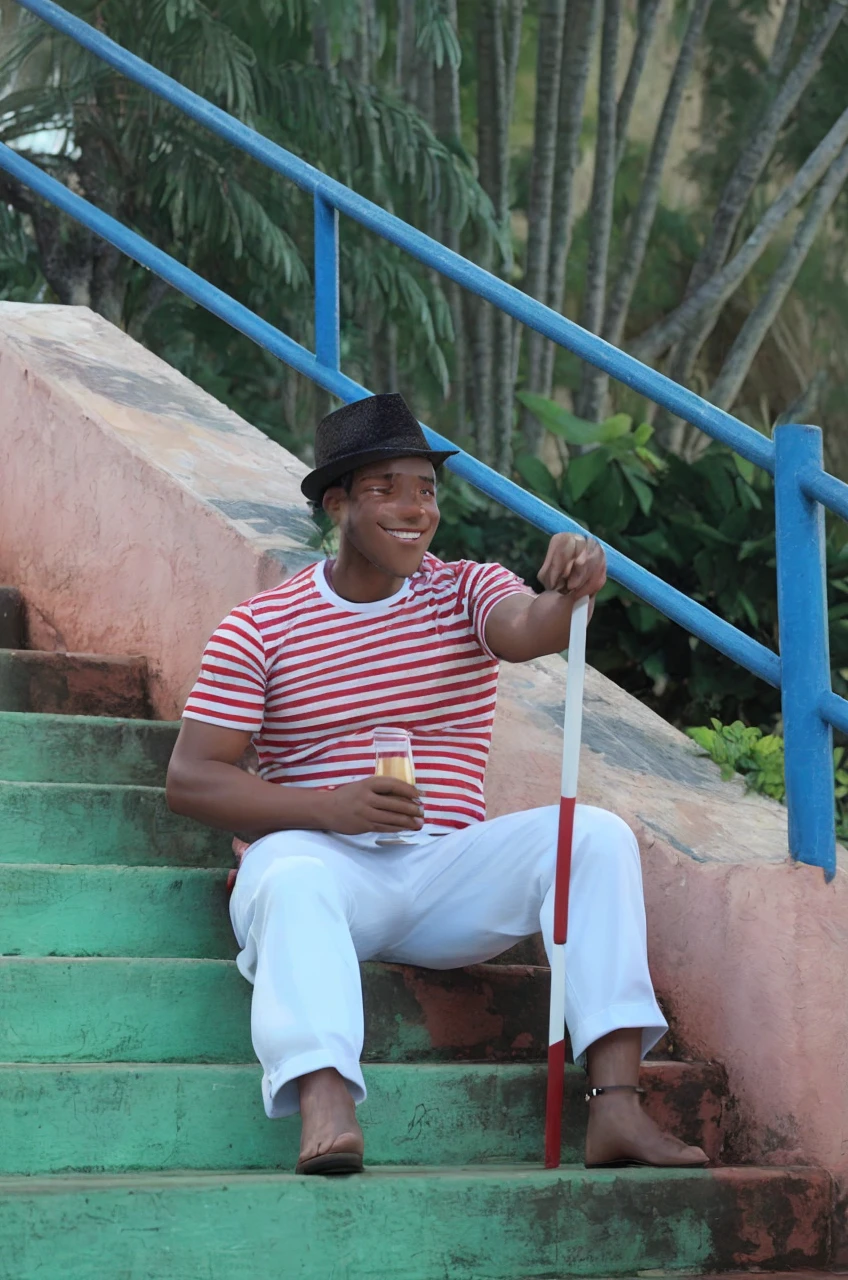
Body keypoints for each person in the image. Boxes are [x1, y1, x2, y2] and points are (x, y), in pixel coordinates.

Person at [166, 392, 707, 1176]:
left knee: (593, 836)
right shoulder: (261, 627)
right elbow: (191, 780)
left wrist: (572, 583)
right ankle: (325, 1102)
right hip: (326, 874)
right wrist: (326, 810)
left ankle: (616, 1107)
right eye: (387, 488)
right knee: (284, 869)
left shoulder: (463, 590)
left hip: (449, 872)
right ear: (337, 503)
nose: (415, 508)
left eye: (427, 490)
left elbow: (529, 627)